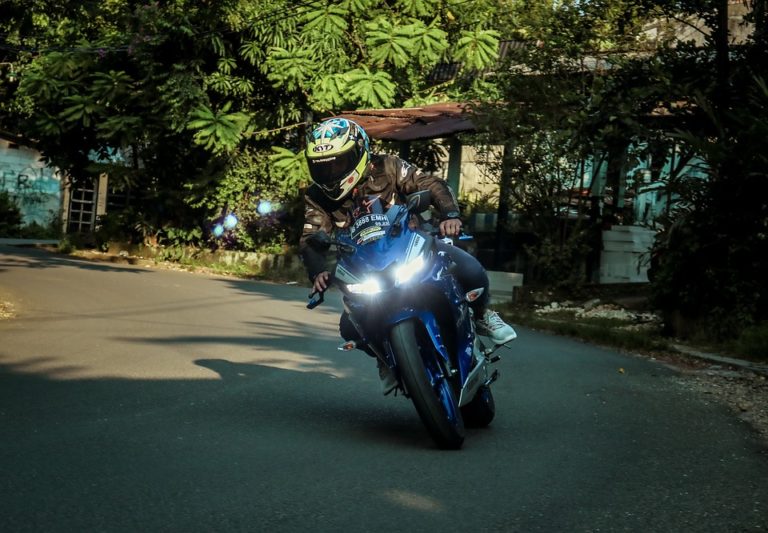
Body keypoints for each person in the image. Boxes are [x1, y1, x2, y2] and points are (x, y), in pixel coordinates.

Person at [299, 117, 516, 394]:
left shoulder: (388, 166)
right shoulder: (317, 195)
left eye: (338, 163)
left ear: (359, 152)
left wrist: (449, 214)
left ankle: (483, 314)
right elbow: (311, 237)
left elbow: (430, 183)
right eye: (322, 167)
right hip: (363, 266)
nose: (330, 172)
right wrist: (318, 271)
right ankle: (386, 358)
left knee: (469, 270)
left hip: (413, 244)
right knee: (350, 327)